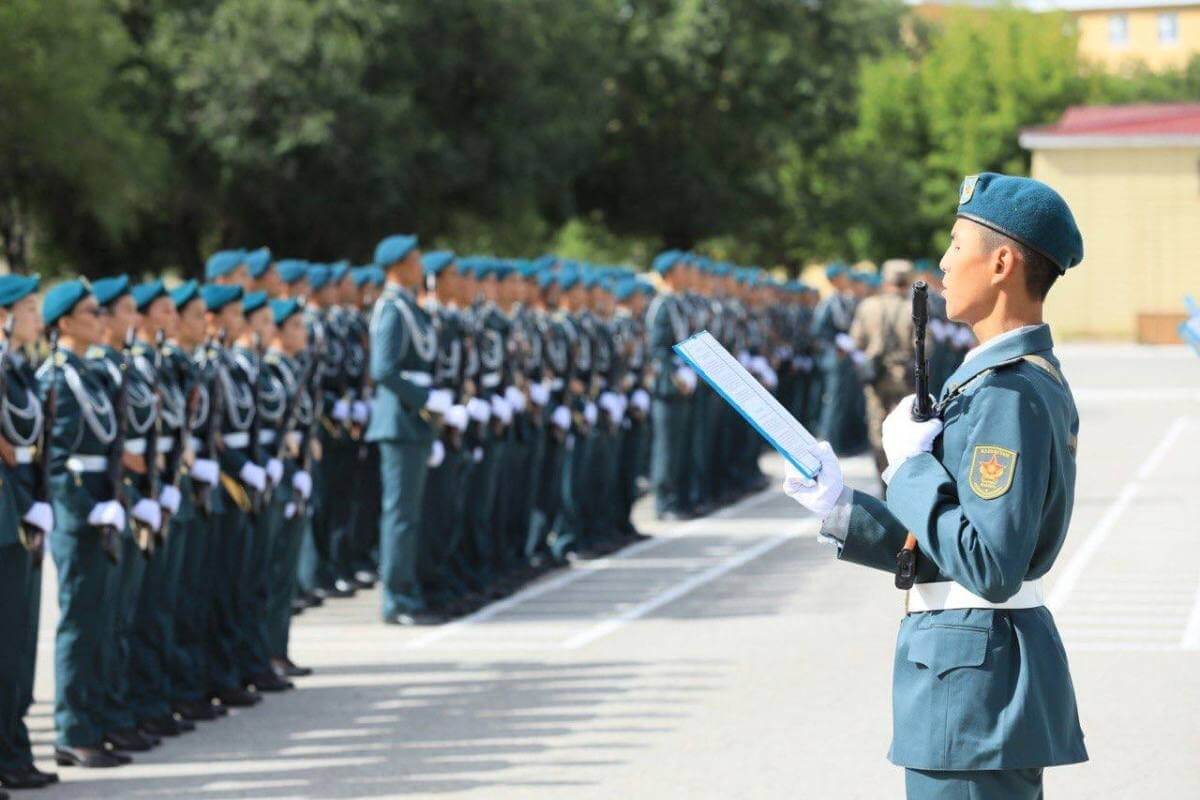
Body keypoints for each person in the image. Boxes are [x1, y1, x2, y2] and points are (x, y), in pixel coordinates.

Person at [783, 172, 1088, 799]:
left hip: (974, 698)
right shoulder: (994, 381)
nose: (944, 264)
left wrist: (911, 468)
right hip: (964, 690)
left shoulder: (1008, 391)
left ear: (1002, 262)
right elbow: (951, 543)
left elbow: (989, 563)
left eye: (956, 244)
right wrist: (842, 508)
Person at [366, 234, 451, 626]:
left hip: (414, 420)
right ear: (398, 267)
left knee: (410, 514)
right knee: (399, 515)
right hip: (400, 420)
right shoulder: (392, 309)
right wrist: (422, 398)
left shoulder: (410, 308)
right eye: (415, 261)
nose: (422, 267)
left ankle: (410, 591)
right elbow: (383, 368)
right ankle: (397, 598)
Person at [0, 274, 58, 789]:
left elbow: (29, 446)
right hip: (6, 516)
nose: (36, 316)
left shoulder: (20, 371)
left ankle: (13, 750)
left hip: (19, 513)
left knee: (19, 645)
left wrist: (37, 501)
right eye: (28, 307)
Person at [848, 258, 916, 478]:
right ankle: (900, 479)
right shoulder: (914, 307)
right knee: (905, 428)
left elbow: (856, 341)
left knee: (877, 428)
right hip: (903, 376)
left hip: (876, 376)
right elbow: (926, 346)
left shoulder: (869, 306)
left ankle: (882, 478)